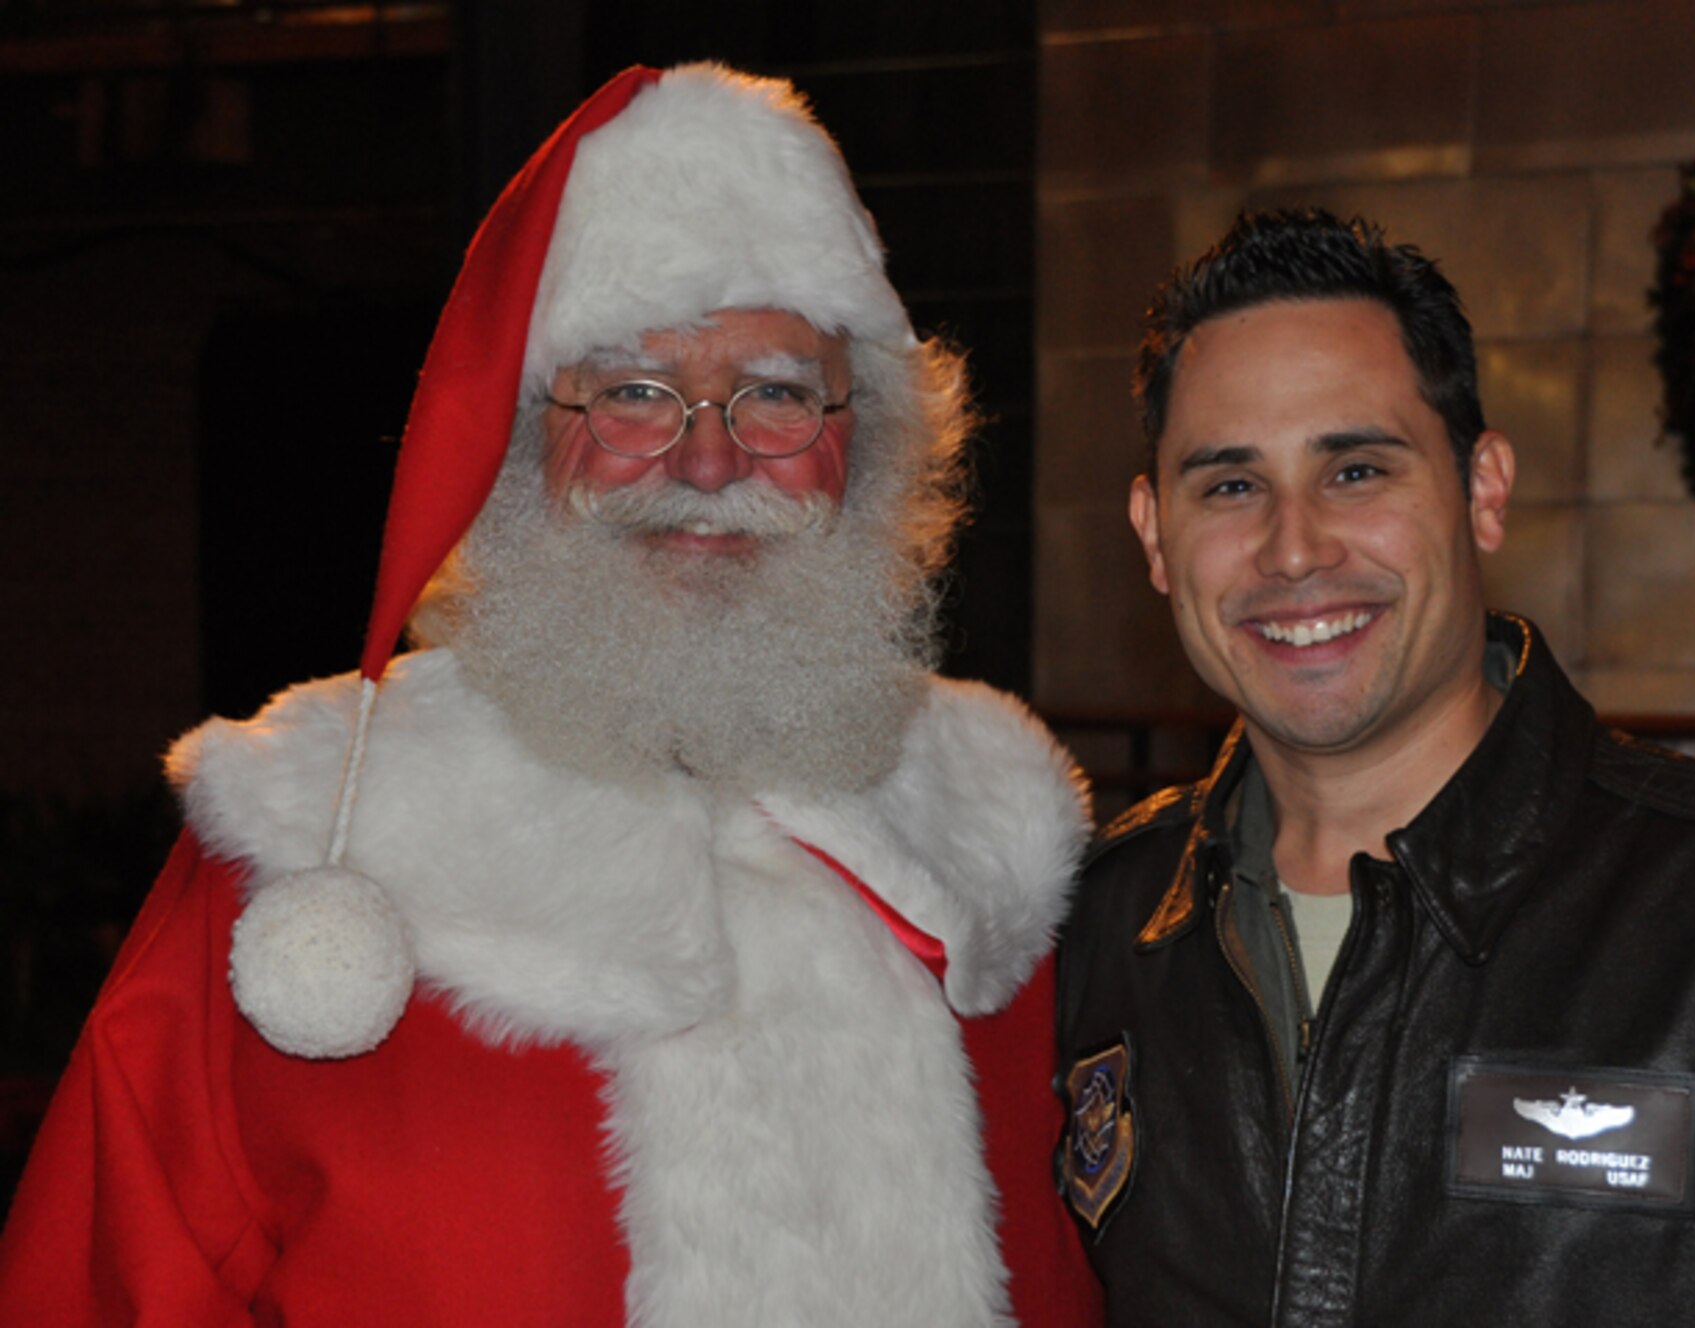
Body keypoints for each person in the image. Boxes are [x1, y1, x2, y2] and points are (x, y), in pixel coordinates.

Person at [0, 63, 1101, 1327]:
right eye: (631, 391)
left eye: (780, 394)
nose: (704, 457)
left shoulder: (1006, 849)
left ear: (872, 450)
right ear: (518, 447)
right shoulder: (306, 844)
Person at [1053, 207, 1695, 1326]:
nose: (1293, 547)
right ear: (1153, 535)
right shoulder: (1086, 932)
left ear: (1482, 488)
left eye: (1355, 468)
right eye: (1227, 485)